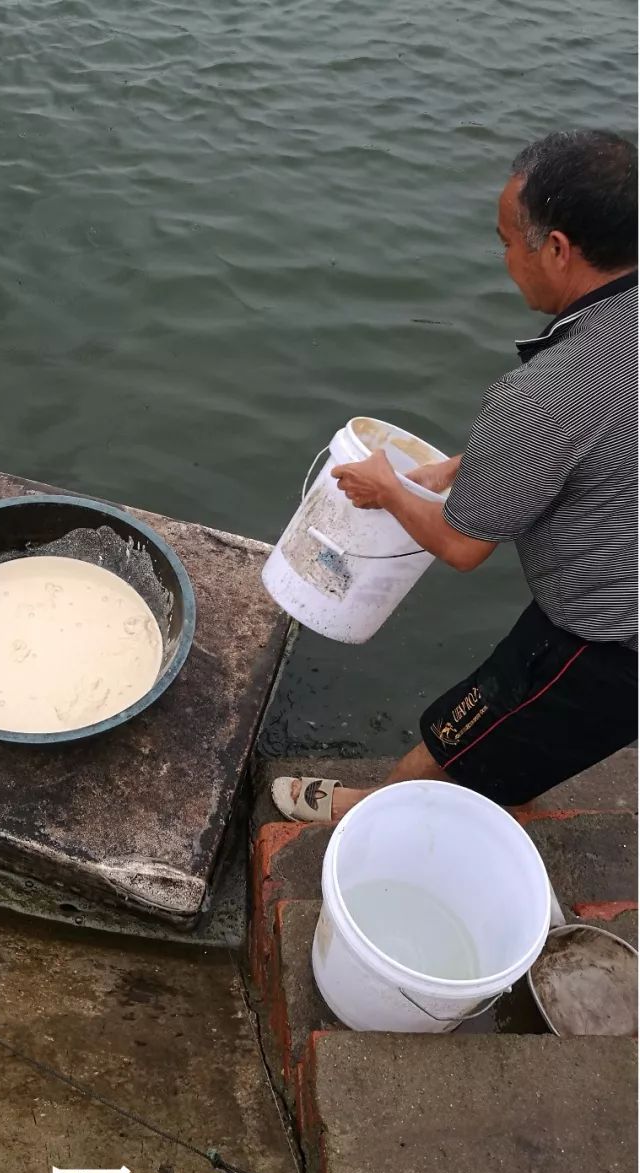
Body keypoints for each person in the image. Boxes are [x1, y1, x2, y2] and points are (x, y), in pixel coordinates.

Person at [273, 129, 637, 823]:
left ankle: (369, 813)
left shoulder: (539, 397)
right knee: (519, 750)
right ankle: (507, 796)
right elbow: (610, 429)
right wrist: (483, 462)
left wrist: (383, 488)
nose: (504, 260)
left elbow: (463, 547)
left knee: (453, 741)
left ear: (557, 248)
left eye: (507, 241)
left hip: (609, 645)